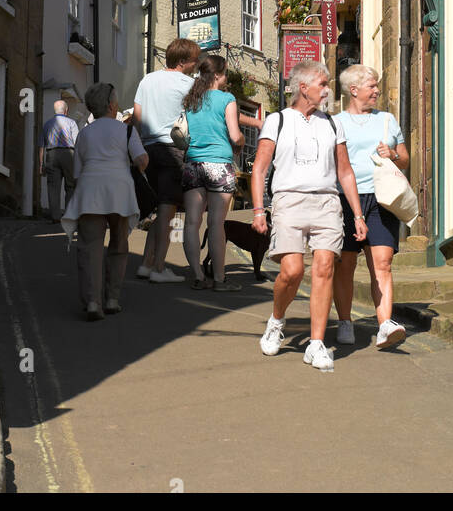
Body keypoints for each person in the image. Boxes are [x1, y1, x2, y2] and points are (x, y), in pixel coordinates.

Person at [250, 62, 366, 372]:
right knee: (292, 271)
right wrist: (259, 209)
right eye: (323, 84)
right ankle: (277, 319)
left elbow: (344, 171)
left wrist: (357, 213)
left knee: (325, 267)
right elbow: (260, 167)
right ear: (304, 88)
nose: (328, 90)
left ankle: (316, 344)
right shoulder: (277, 121)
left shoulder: (332, 124)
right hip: (288, 200)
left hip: (327, 202)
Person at [331, 65, 410, 350]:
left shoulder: (387, 119)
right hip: (345, 199)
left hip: (382, 198)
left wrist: (392, 154)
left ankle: (385, 325)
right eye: (372, 86)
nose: (377, 91)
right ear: (354, 90)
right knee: (346, 264)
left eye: (377, 86)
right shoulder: (336, 122)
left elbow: (405, 159)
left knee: (383, 263)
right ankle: (344, 322)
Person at [61, 82, 148, 320]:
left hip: (90, 191)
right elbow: (142, 159)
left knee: (90, 247)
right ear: (111, 105)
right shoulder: (127, 130)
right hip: (120, 190)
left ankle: (92, 302)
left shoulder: (84, 133)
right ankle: (112, 298)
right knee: (119, 245)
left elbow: (77, 172)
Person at [132, 38, 201, 284]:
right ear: (183, 61)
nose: (196, 65)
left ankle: (146, 263)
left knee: (160, 206)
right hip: (174, 149)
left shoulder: (148, 79)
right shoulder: (191, 84)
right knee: (168, 209)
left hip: (149, 148)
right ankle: (159, 267)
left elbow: (137, 116)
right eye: (194, 60)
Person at [181, 54, 243, 290]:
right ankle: (219, 279)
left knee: (191, 223)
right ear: (217, 75)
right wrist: (240, 144)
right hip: (219, 163)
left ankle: (197, 275)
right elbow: (236, 135)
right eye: (225, 72)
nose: (226, 77)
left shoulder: (191, 99)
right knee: (216, 223)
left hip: (193, 164)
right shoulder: (227, 98)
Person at [38, 100, 79, 224]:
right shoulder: (72, 123)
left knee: (53, 187)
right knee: (71, 186)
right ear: (66, 111)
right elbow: (77, 143)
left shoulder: (47, 124)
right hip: (68, 155)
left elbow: (41, 146)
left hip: (51, 155)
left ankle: (55, 217)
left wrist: (41, 164)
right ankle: (69, 216)